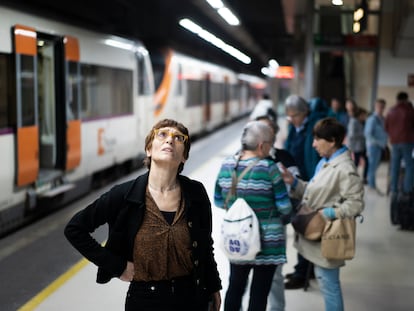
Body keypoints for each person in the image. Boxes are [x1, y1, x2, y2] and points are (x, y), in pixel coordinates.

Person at [64, 119, 221, 311]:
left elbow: (206, 244)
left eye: (178, 138)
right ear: (149, 149)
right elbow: (75, 229)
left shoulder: (195, 193)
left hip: (191, 297)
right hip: (145, 299)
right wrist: (117, 265)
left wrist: (213, 286)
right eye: (162, 135)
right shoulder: (124, 195)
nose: (170, 140)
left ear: (184, 157)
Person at [280, 117, 364, 311]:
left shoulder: (345, 169)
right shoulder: (325, 162)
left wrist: (328, 213)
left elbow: (356, 204)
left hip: (328, 235)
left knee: (329, 285)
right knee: (325, 281)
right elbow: (315, 190)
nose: (313, 144)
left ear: (333, 141)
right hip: (318, 234)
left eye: (318, 139)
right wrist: (293, 182)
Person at [214, 121, 292, 311]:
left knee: (235, 287)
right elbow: (285, 207)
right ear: (261, 145)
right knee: (259, 294)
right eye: (270, 144)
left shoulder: (227, 165)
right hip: (268, 242)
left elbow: (218, 200)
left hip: (239, 239)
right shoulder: (269, 167)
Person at [283, 95, 329, 289]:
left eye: (294, 116)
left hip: (309, 185)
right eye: (289, 117)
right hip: (297, 183)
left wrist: (310, 185)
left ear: (304, 113)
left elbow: (313, 159)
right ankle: (302, 268)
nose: (291, 120)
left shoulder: (313, 129)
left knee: (305, 228)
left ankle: (303, 273)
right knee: (300, 227)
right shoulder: (296, 128)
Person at [254, 115, 299, 311]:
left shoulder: (284, 157)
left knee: (275, 276)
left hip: (274, 226)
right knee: (245, 275)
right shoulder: (243, 158)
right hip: (247, 225)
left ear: (272, 135)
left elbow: (294, 187)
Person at [385, 91, 414, 198]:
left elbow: (386, 127)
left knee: (395, 166)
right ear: (406, 99)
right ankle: (407, 189)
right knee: (410, 165)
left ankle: (394, 189)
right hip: (407, 141)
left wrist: (393, 136)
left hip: (395, 142)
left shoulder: (390, 111)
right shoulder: (409, 110)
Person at [364, 99, 388, 192]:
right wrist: (378, 142)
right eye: (379, 106)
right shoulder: (372, 119)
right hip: (373, 146)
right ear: (376, 106)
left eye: (382, 107)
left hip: (380, 146)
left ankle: (372, 184)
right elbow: (368, 134)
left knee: (375, 166)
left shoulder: (382, 119)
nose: (381, 109)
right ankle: (371, 186)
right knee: (372, 166)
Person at [346, 102, 369, 184]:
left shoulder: (361, 122)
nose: (364, 117)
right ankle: (353, 179)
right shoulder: (354, 122)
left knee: (365, 161)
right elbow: (352, 135)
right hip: (356, 147)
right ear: (360, 115)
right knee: (356, 163)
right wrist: (363, 134)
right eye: (363, 115)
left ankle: (364, 178)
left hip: (360, 146)